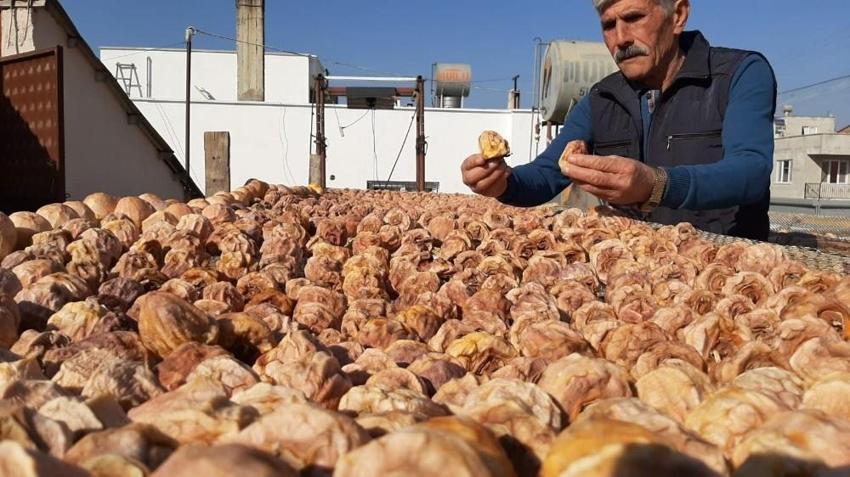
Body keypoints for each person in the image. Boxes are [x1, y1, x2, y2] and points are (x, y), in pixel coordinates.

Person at [461, 0, 777, 240]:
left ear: (678, 15)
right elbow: (546, 174)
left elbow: (751, 172)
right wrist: (503, 182)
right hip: (634, 277)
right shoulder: (602, 98)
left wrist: (654, 185)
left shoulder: (739, 74)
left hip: (728, 274)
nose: (621, 38)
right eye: (608, 25)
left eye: (634, 18)